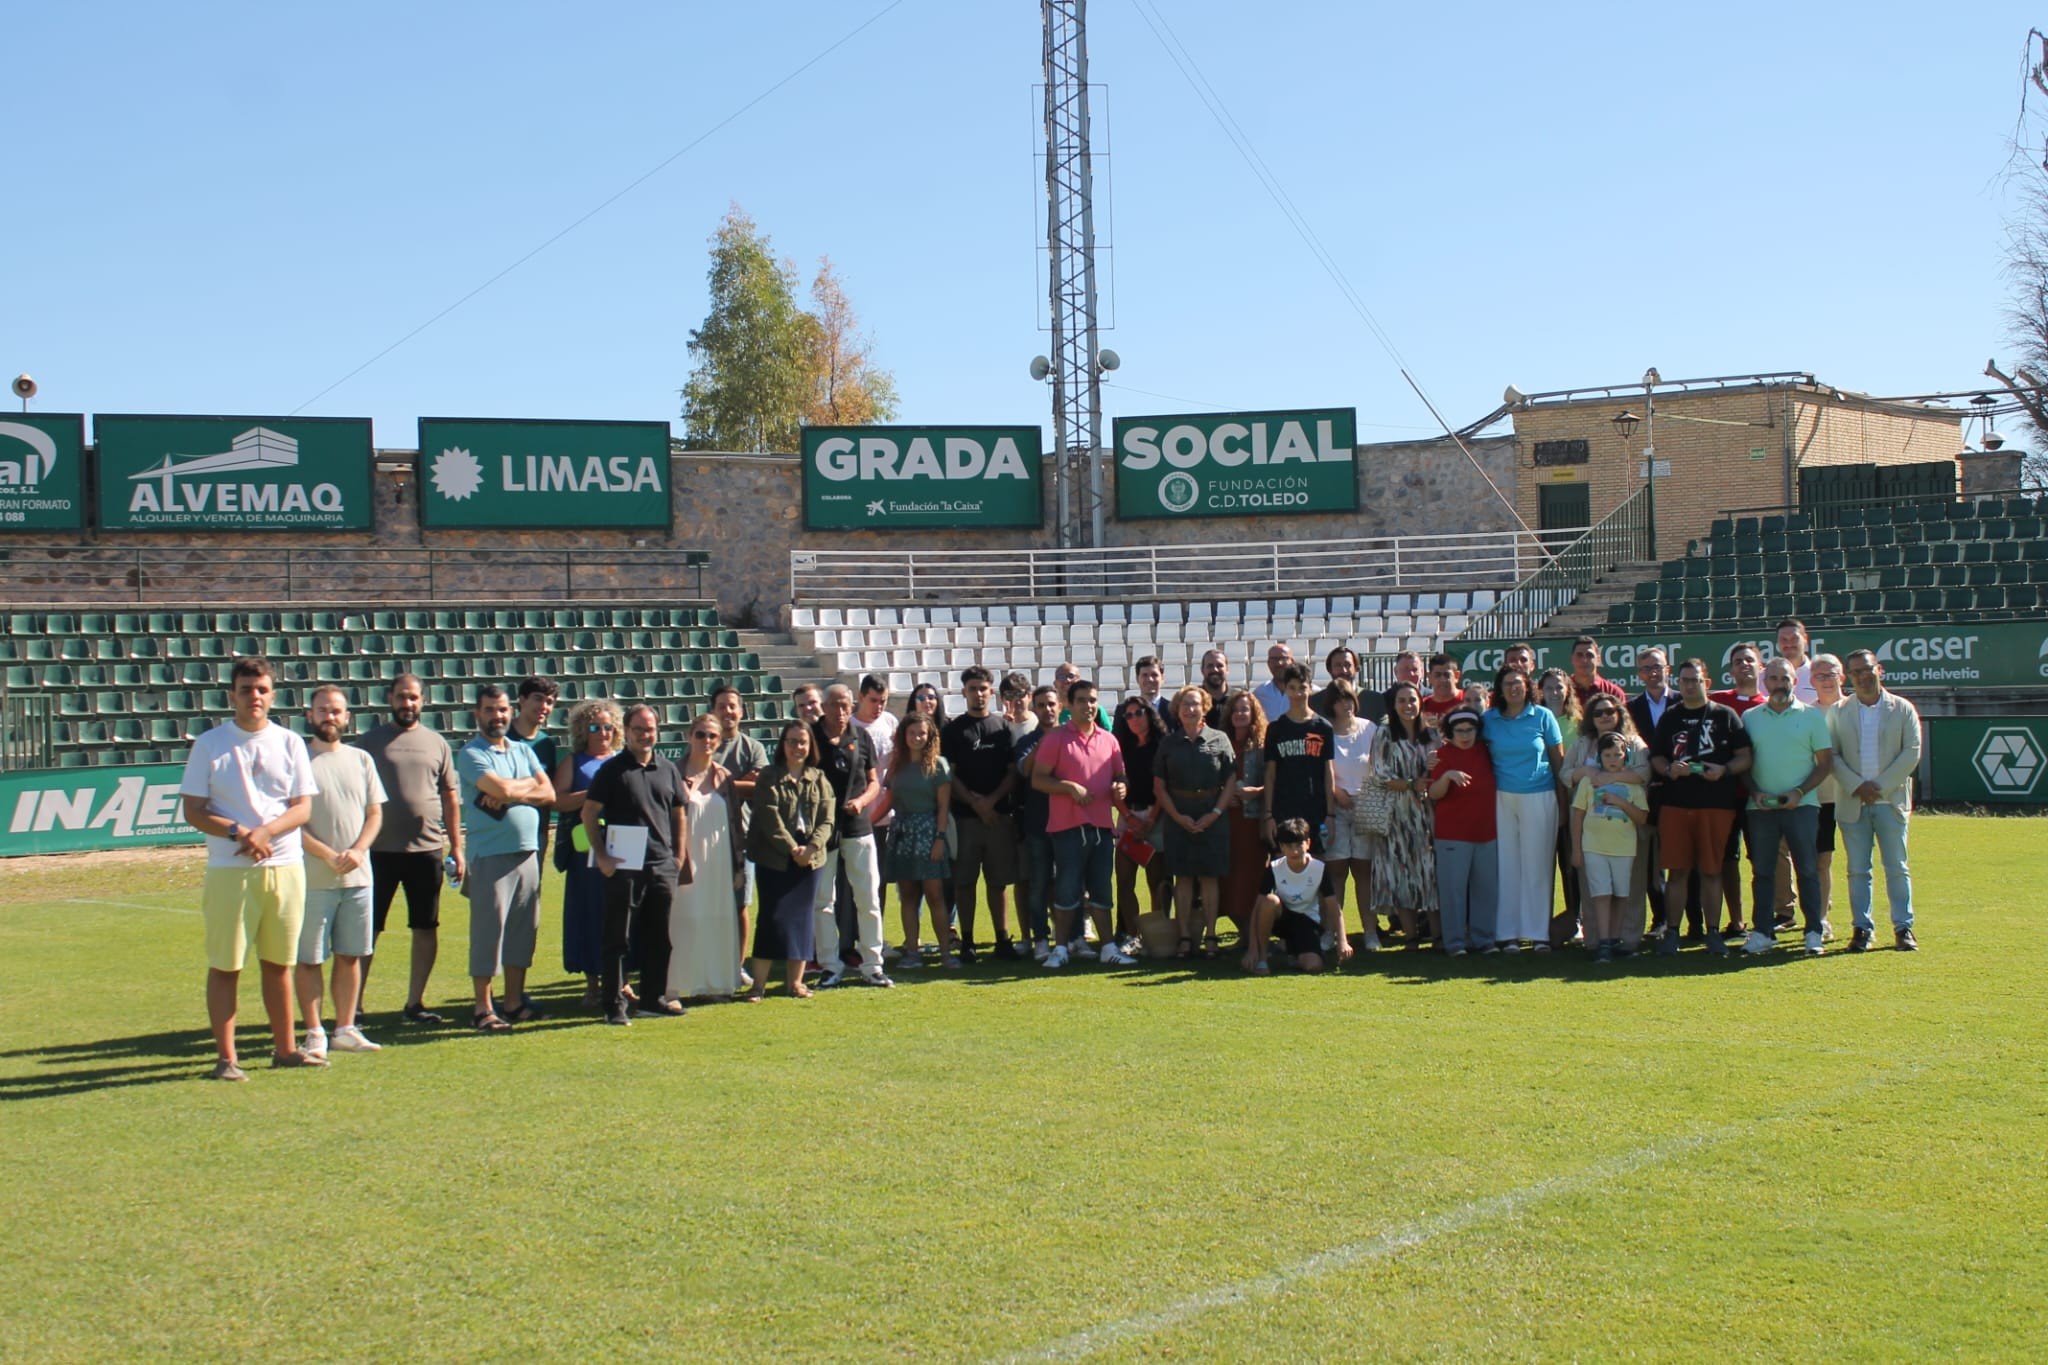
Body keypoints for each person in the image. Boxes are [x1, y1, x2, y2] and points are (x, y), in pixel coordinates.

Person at [181, 657, 320, 1079]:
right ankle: (227, 1059)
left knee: (280, 964)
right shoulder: (210, 744)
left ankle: (286, 1049)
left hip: (285, 865)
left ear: (272, 696)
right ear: (232, 696)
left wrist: (266, 832)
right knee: (227, 965)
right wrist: (239, 832)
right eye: (246, 690)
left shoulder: (290, 742)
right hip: (231, 868)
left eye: (261, 690)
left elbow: (302, 807)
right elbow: (194, 810)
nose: (254, 697)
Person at [358, 673, 463, 1025]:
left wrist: (456, 847)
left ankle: (415, 1003)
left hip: (426, 850)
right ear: (390, 698)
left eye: (414, 697)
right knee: (367, 930)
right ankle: (353, 1006)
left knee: (425, 926)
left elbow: (450, 797)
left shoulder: (437, 743)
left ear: (422, 701)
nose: (408, 703)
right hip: (378, 851)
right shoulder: (369, 743)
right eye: (402, 697)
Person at [457, 683, 556, 1030]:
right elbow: (499, 789)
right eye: (489, 710)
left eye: (501, 709)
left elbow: (549, 792)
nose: (496, 716)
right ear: (477, 714)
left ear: (510, 711)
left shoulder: (522, 750)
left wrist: (513, 791)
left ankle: (513, 1002)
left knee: (522, 932)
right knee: (489, 932)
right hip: (490, 854)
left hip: (527, 851)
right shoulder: (471, 753)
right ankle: (483, 1008)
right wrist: (521, 786)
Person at [294, 685, 387, 1057]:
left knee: (351, 955)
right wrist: (327, 854)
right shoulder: (298, 760)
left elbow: (375, 812)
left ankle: (345, 1028)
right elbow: (290, 821)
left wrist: (358, 850)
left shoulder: (361, 759)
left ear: (347, 717)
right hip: (313, 879)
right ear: (310, 715)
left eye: (335, 711)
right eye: (322, 710)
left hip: (358, 877)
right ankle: (314, 1031)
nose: (329, 717)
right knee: (310, 958)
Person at [582, 704, 688, 1023]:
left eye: (650, 729)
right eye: (639, 729)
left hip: (661, 865)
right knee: (618, 938)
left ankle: (653, 999)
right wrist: (602, 855)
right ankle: (613, 1005)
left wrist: (679, 856)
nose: (645, 735)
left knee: (660, 938)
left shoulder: (667, 768)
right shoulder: (612, 770)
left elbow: (679, 813)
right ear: (626, 732)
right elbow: (589, 812)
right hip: (624, 866)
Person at [1648, 658, 1752, 956]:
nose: (1690, 685)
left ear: (1707, 682)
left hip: (1716, 804)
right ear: (1678, 683)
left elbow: (1745, 756)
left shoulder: (1725, 715)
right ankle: (1672, 932)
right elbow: (1656, 757)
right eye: (1684, 680)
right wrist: (1669, 769)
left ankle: (1713, 933)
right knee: (1677, 871)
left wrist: (1724, 770)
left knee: (1711, 871)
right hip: (1676, 804)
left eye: (1695, 680)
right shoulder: (1670, 717)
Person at [1033, 678, 1136, 968]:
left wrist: (1122, 787)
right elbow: (1038, 779)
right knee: (1067, 890)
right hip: (1067, 828)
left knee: (1102, 889)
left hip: (1102, 827)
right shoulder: (1055, 738)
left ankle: (1108, 948)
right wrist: (1068, 787)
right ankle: (1061, 949)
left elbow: (1121, 776)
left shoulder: (1109, 739)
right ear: (1069, 704)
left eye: (1092, 700)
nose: (1088, 706)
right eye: (1081, 700)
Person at [1738, 658, 1834, 957]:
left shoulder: (1811, 716)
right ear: (1765, 682)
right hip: (1761, 808)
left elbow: (1825, 764)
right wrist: (1755, 793)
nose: (1779, 684)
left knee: (1808, 869)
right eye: (1774, 678)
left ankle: (1813, 931)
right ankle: (1762, 932)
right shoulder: (1750, 717)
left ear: (1794, 680)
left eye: (1785, 678)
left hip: (1802, 805)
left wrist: (1799, 792)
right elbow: (1743, 763)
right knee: (1763, 872)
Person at [1829, 649, 1920, 952]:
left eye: (1867, 669)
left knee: (1897, 867)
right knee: (1857, 870)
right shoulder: (1839, 711)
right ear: (1849, 677)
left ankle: (1903, 928)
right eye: (1856, 672)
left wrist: (1878, 787)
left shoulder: (1902, 708)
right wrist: (1857, 786)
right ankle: (1862, 929)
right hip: (1853, 802)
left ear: (1879, 670)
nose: (1862, 676)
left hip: (1890, 802)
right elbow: (1832, 755)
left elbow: (1912, 752)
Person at [745, 721, 835, 1001]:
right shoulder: (769, 776)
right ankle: (758, 986)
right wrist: (793, 849)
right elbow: (768, 817)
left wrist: (811, 848)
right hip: (775, 859)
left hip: (810, 860)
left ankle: (795, 983)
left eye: (803, 742)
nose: (798, 747)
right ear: (783, 745)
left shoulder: (819, 777)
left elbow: (827, 819)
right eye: (792, 741)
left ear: (810, 746)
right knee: (771, 919)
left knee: (803, 920)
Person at [812, 684, 892, 987]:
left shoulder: (861, 736)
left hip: (858, 826)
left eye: (845, 705)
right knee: (823, 900)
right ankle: (830, 965)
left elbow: (874, 781)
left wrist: (861, 802)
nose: (841, 711)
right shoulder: (812, 736)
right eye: (835, 705)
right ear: (824, 707)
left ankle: (873, 964)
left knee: (868, 896)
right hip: (823, 829)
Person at [1482, 665, 1565, 952]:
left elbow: (1558, 763)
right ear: (1499, 689)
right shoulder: (1488, 719)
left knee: (1538, 866)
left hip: (1540, 796)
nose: (1513, 688)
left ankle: (1539, 933)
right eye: (1507, 683)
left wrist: (1563, 804)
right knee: (1507, 866)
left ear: (1527, 686)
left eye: (1518, 682)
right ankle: (1508, 934)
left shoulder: (1543, 716)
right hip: (1501, 798)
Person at [1561, 696, 1651, 951]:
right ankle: (1596, 940)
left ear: (1619, 713)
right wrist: (1586, 772)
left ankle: (1628, 939)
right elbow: (1565, 773)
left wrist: (1611, 777)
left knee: (1630, 887)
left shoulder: (1634, 742)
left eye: (1610, 711)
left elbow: (1645, 772)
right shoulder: (1582, 744)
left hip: (1628, 829)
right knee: (1594, 888)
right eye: (1598, 713)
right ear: (1590, 717)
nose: (1604, 716)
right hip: (1591, 830)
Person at [1156, 684, 1239, 959]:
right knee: (1183, 877)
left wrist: (1214, 813)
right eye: (1185, 704)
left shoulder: (1220, 739)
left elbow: (1230, 779)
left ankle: (1211, 935)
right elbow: (1159, 786)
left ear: (1204, 708)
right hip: (1178, 815)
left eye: (1195, 704)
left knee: (1209, 876)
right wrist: (1177, 817)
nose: (1190, 709)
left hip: (1212, 814)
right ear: (1177, 710)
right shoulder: (1168, 743)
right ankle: (1184, 936)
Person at [942, 667, 1017, 962]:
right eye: (972, 688)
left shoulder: (1003, 728)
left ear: (991, 691)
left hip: (999, 817)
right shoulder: (953, 730)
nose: (978, 693)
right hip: (965, 818)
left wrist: (991, 801)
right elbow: (950, 776)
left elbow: (1012, 773)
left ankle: (1002, 939)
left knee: (998, 882)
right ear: (964, 692)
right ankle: (968, 941)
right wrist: (976, 804)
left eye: (983, 688)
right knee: (965, 882)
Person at [669, 712, 744, 1003]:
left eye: (713, 736)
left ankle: (714, 985)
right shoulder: (673, 774)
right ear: (689, 737)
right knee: (684, 920)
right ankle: (677, 986)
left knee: (717, 919)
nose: (706, 740)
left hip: (718, 861)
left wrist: (738, 867)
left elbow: (736, 825)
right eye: (700, 734)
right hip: (684, 860)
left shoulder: (724, 777)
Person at [552, 699, 619, 1008]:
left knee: (619, 914)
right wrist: (592, 795)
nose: (603, 733)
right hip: (586, 850)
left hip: (621, 845)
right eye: (595, 727)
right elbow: (558, 801)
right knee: (590, 914)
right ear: (583, 730)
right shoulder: (574, 762)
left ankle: (621, 982)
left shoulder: (622, 759)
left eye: (608, 727)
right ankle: (592, 985)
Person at [1367, 682, 1439, 947]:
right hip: (1395, 815)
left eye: (1412, 700)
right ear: (1394, 705)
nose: (1408, 706)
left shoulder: (1431, 734)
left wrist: (1431, 770)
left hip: (1426, 814)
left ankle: (1438, 935)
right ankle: (1411, 936)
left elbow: (1441, 766)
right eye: (1402, 701)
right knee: (1400, 874)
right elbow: (1380, 773)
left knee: (1429, 874)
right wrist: (1410, 784)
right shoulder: (1385, 733)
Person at [1711, 642, 1773, 938]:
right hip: (1725, 796)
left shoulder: (1771, 706)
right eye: (1738, 661)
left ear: (1760, 667)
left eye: (1749, 660)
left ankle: (1766, 920)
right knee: (1727, 860)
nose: (1744, 665)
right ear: (1731, 670)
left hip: (1761, 796)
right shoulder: (1717, 703)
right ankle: (1736, 922)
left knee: (1763, 861)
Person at [885, 711, 955, 967]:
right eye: (912, 733)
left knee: (935, 894)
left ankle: (946, 953)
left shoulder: (939, 765)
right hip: (903, 832)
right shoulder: (897, 765)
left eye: (921, 733)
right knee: (908, 895)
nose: (916, 737)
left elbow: (943, 807)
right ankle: (912, 953)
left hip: (929, 832)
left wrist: (939, 838)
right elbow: (889, 799)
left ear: (929, 736)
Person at [710, 683, 768, 989]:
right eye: (721, 706)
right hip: (706, 837)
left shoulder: (752, 748)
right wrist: (740, 783)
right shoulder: (704, 742)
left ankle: (737, 964)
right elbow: (692, 782)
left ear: (741, 711)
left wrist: (721, 783)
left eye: (732, 706)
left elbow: (762, 787)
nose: (727, 711)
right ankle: (712, 962)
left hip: (742, 839)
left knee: (740, 904)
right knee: (709, 905)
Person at [1427, 708, 1497, 956]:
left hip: (1486, 831)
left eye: (1470, 730)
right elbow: (1433, 793)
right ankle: (1455, 942)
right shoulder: (1442, 755)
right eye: (1459, 731)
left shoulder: (1486, 750)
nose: (1465, 735)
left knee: (1485, 889)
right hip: (1453, 834)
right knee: (1453, 891)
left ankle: (1484, 939)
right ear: (1450, 732)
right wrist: (1447, 776)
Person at [1244, 817, 1346, 974]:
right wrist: (1252, 949)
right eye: (1289, 846)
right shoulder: (1274, 868)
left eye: (1299, 845)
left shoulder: (1319, 868)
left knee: (1313, 966)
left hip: (1308, 922)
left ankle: (1291, 953)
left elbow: (1334, 907)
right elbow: (1257, 908)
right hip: (1281, 918)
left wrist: (1342, 941)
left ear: (1308, 843)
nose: (1295, 851)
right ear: (1281, 847)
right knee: (1269, 901)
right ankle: (1262, 958)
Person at [1111, 695, 1170, 950]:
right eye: (1129, 715)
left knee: (1157, 882)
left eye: (1139, 713)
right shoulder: (1119, 747)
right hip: (1128, 816)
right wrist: (1128, 817)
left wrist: (1151, 819)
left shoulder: (1163, 745)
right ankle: (1132, 935)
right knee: (1124, 881)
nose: (1134, 719)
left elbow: (1164, 787)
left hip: (1157, 817)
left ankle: (1157, 935)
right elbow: (1113, 786)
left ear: (1149, 714)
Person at [1321, 680, 1376, 951]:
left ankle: (1370, 932)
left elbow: (1377, 764)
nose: (1346, 704)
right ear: (1331, 704)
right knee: (1337, 872)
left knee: (1364, 872)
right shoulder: (1325, 731)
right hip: (1336, 808)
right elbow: (1323, 769)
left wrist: (1367, 796)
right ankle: (1331, 932)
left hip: (1366, 807)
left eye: (1349, 698)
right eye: (1340, 700)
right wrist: (1336, 792)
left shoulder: (1369, 728)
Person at [1262, 663, 1335, 859]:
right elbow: (1270, 774)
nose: (1298, 693)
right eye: (1292, 687)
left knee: (1316, 866)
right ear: (1285, 689)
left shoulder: (1323, 727)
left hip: (1315, 809)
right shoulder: (1276, 729)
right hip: (1283, 809)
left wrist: (1330, 814)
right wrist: (1268, 815)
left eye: (1302, 687)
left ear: (1310, 688)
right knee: (1282, 864)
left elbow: (1328, 772)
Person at [1627, 647, 1676, 936]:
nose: (1652, 672)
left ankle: (1692, 922)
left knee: (1684, 859)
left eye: (1657, 666)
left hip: (1682, 790)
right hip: (1645, 792)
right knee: (1650, 863)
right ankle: (1660, 919)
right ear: (1639, 674)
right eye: (1646, 668)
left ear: (1667, 669)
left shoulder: (1682, 701)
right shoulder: (1631, 708)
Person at [1217, 689, 1271, 945]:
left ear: (1253, 713)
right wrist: (1224, 796)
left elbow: (1276, 780)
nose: (1239, 714)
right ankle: (1243, 933)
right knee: (1227, 880)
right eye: (1235, 710)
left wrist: (1256, 792)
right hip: (1226, 821)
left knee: (1251, 879)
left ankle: (1255, 935)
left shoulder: (1263, 744)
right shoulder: (1220, 742)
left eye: (1245, 709)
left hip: (1253, 822)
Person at [1012, 685, 1062, 960]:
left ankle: (1072, 937)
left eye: (1051, 704)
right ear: (1034, 708)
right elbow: (1025, 770)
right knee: (1038, 884)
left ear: (1060, 706)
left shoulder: (1071, 737)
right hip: (1037, 823)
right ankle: (1040, 938)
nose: (1047, 710)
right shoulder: (1027, 741)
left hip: (1067, 822)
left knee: (1069, 884)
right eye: (1041, 705)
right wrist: (1045, 743)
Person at [1536, 667, 1581, 944]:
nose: (1554, 692)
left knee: (1571, 865)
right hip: (1539, 802)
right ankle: (1539, 922)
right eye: (1549, 687)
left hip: (1574, 805)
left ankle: (1576, 920)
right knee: (1541, 868)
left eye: (1559, 687)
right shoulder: (1533, 719)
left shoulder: (1578, 723)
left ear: (1568, 690)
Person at [1807, 652, 1847, 936]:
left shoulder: (1855, 709)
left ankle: (1862, 924)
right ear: (1811, 680)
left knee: (1860, 863)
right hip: (1821, 799)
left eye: (1831, 674)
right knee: (1821, 860)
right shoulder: (1807, 714)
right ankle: (1821, 919)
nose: (1826, 680)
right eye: (1820, 675)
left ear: (1841, 677)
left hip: (1854, 796)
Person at [509, 675, 560, 864]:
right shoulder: (500, 737)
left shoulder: (546, 744)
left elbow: (549, 794)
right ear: (522, 700)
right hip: (500, 832)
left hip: (536, 834)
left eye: (549, 702)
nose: (544, 707)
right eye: (538, 699)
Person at [1311, 646, 1373, 722]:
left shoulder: (1374, 700)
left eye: (1347, 665)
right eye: (1338, 665)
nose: (1343, 670)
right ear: (1330, 669)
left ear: (1356, 668)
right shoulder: (1314, 702)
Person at [1568, 635, 1629, 711]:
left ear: (1598, 659)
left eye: (1589, 655)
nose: (1584, 660)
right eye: (1579, 655)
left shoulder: (1613, 692)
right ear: (1572, 659)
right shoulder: (1563, 690)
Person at [1777, 618, 1818, 704]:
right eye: (1783, 639)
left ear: (1805, 638)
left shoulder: (1819, 675)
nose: (1788, 644)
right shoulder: (1764, 677)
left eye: (1794, 638)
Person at [1251, 641, 1293, 725]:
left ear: (1292, 661)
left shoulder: (1310, 692)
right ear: (1268, 663)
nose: (1279, 663)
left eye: (1283, 658)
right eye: (1274, 659)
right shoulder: (1259, 693)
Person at [1421, 654, 1463, 724]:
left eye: (1447, 675)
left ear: (1456, 676)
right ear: (1430, 677)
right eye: (1437, 675)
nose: (1442, 680)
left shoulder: (1469, 700)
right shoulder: (1422, 706)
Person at [1133, 655, 1171, 725]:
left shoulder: (1173, 710)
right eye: (1145, 675)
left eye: (1154, 675)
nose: (1150, 679)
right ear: (1137, 679)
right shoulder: (1124, 710)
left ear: (1162, 678)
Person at [1198, 648, 1233, 724]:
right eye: (1210, 666)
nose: (1215, 669)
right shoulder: (1193, 699)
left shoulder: (1237, 699)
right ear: (1202, 670)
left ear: (1227, 669)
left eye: (1219, 665)